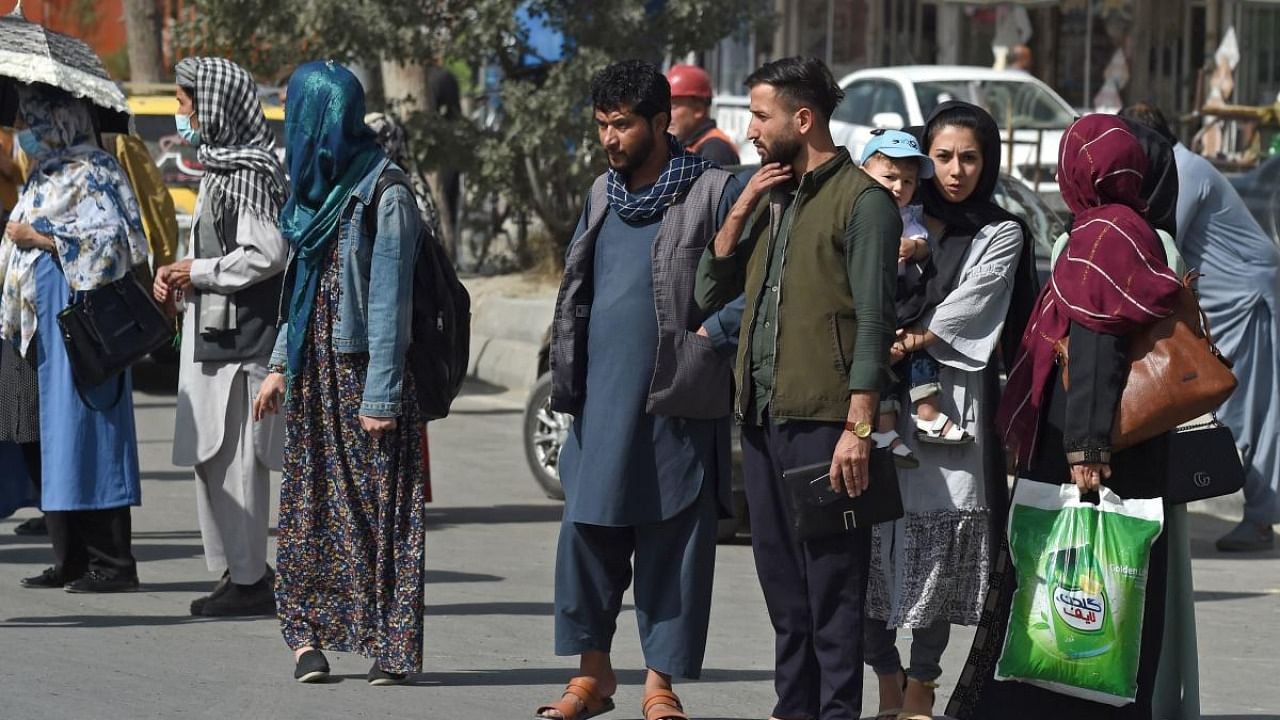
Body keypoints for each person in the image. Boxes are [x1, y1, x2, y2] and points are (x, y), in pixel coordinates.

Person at [948, 113, 1185, 719]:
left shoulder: (1100, 235)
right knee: (1118, 585)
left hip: (1087, 441)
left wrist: (1086, 449)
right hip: (1133, 438)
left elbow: (1097, 341)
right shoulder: (1139, 231)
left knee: (1056, 571)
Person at [534, 59, 742, 720]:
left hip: (676, 404)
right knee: (586, 540)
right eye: (602, 126)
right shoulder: (602, 194)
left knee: (672, 547)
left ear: (661, 122)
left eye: (622, 125)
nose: (610, 139)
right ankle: (592, 677)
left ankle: (660, 686)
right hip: (601, 406)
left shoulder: (713, 191)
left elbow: (762, 285)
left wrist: (711, 336)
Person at [696, 56, 899, 720]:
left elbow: (874, 323)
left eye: (760, 115)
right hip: (761, 422)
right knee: (786, 600)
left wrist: (859, 431)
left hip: (828, 428)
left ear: (802, 119)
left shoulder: (864, 203)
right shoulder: (769, 196)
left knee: (833, 602)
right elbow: (707, 292)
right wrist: (746, 203)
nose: (750, 129)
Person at [252, 60, 427, 686]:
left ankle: (390, 646)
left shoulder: (385, 191)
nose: (291, 127)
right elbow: (298, 289)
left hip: (363, 373)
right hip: (315, 374)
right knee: (308, 509)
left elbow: (391, 301)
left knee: (381, 511)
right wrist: (279, 366)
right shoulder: (311, 192)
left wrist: (381, 394)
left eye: (299, 115)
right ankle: (306, 640)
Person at [862, 101, 1035, 720]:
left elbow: (970, 308)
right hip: (873, 400)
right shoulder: (884, 214)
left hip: (953, 409)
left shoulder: (1000, 231)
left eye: (970, 157)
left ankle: (922, 686)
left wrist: (906, 340)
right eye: (942, 157)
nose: (956, 171)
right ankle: (887, 672)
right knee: (868, 550)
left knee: (939, 548)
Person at [154, 57, 289, 617]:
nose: (179, 112)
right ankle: (241, 569)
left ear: (213, 103)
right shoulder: (217, 169)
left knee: (238, 460)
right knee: (213, 456)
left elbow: (267, 253)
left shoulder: (250, 172)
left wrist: (198, 272)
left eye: (185, 100)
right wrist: (180, 276)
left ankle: (253, 579)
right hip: (214, 337)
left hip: (244, 347)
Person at [1, 84, 149, 593]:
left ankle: (112, 563)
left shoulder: (96, 173)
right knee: (52, 438)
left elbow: (116, 247)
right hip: (39, 326)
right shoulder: (47, 174)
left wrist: (42, 239)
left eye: (34, 119)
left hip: (83, 326)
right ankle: (69, 558)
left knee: (91, 433)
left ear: (61, 119)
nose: (25, 132)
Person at [1121, 102, 1280, 553]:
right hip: (1222, 301)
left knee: (1245, 408)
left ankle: (1261, 516)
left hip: (1242, 301)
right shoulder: (1179, 167)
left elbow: (1160, 241)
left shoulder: (1184, 171)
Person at [858, 129, 971, 470]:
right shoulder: (857, 212)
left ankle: (927, 413)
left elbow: (923, 243)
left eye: (907, 182)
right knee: (882, 375)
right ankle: (885, 432)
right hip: (870, 311)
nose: (898, 188)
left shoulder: (907, 218)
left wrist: (913, 247)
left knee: (917, 359)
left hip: (902, 310)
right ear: (863, 173)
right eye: (889, 177)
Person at [666, 64, 739, 166]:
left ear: (698, 110)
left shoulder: (715, 149)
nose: (666, 115)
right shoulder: (687, 144)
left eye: (673, 107)